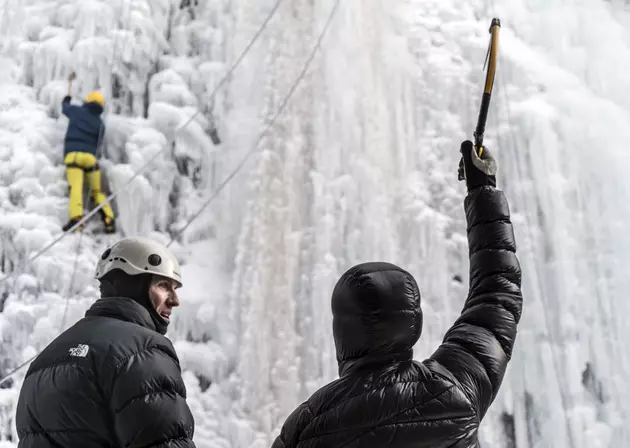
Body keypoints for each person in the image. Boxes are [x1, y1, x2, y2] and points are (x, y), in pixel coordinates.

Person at [271, 140, 523, 448]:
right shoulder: (455, 386)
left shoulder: (309, 422)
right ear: (413, 321)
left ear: (343, 331)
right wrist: (483, 189)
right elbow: (497, 293)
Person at [15, 237, 196, 447]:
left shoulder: (44, 360)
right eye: (164, 286)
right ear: (134, 285)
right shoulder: (143, 351)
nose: (175, 300)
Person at [61, 72, 116, 233]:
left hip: (74, 156)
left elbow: (65, 108)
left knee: (76, 187)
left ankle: (77, 220)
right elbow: (99, 144)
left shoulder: (77, 111)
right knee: (97, 191)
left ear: (87, 102)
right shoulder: (100, 124)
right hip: (91, 159)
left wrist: (67, 98)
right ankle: (109, 217)